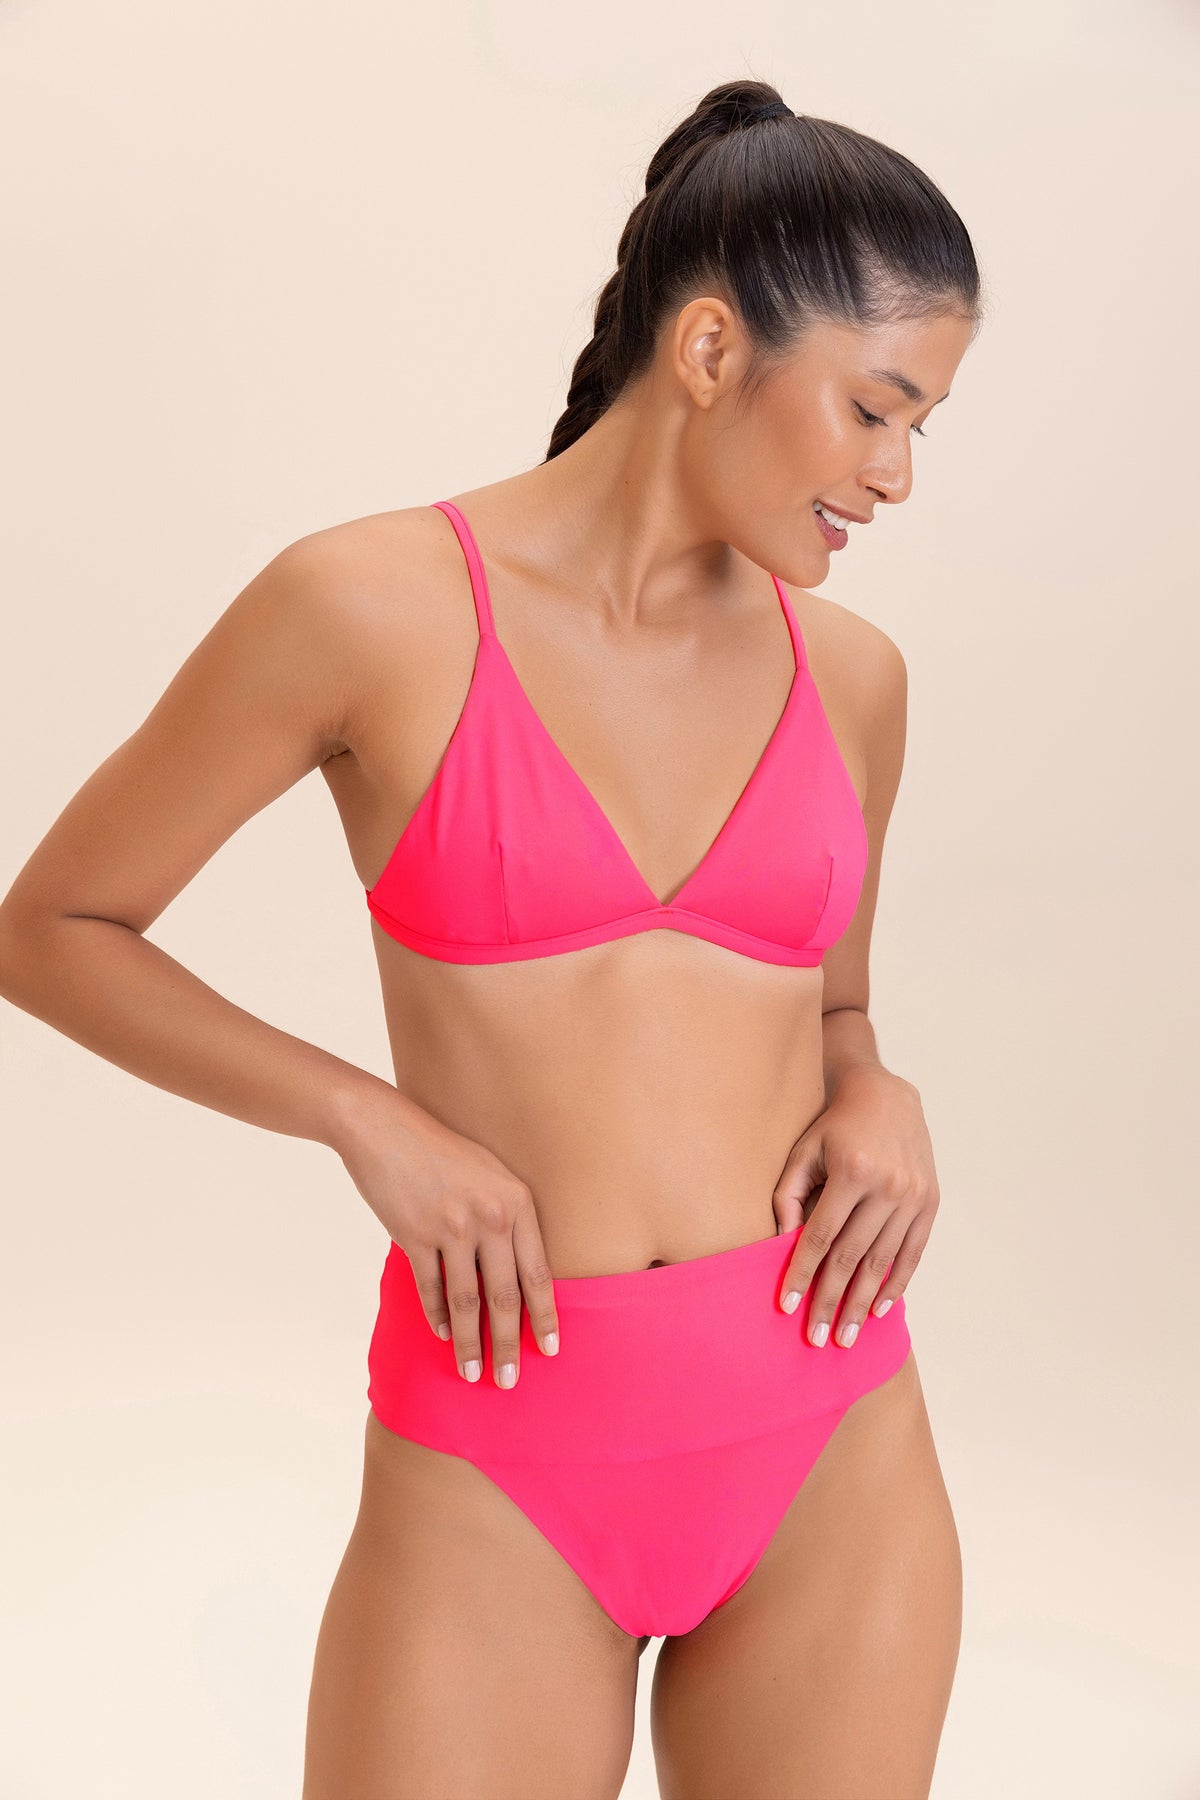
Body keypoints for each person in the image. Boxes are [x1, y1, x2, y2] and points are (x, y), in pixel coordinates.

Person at [0, 77, 983, 1800]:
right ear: (707, 349)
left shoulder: (855, 679)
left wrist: (875, 1081)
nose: (896, 475)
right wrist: (370, 1121)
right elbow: (54, 929)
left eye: (925, 429)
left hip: (831, 1429)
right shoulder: (369, 607)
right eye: (873, 410)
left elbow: (831, 1007)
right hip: (502, 1443)